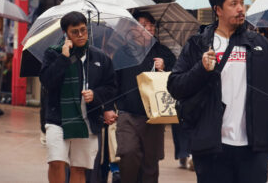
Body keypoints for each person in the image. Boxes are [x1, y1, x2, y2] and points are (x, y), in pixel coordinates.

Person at [167, 0, 268, 183]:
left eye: (242, 3)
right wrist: (201, 69)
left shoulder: (260, 45)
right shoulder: (198, 44)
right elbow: (175, 86)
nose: (241, 9)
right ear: (218, 10)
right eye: (233, 4)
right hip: (211, 148)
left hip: (253, 148)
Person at [40, 11, 117, 183]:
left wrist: (96, 95)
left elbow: (111, 87)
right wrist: (64, 58)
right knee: (56, 162)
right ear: (65, 34)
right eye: (75, 32)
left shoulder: (100, 58)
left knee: (78, 168)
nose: (81, 35)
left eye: (83, 30)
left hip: (87, 120)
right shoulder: (53, 54)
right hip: (58, 119)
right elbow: (47, 82)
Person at [111, 11, 176, 183]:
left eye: (151, 25)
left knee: (150, 164)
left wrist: (166, 65)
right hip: (128, 114)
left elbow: (178, 76)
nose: (149, 29)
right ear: (133, 29)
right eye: (144, 25)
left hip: (154, 116)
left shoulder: (163, 52)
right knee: (128, 154)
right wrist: (109, 108)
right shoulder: (122, 53)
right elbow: (113, 83)